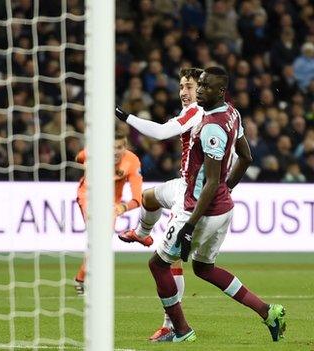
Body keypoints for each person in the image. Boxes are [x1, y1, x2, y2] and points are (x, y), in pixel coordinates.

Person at [147, 66, 285, 342]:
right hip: (223, 208)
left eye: (206, 86)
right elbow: (246, 157)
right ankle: (268, 311)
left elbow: (210, 182)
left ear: (220, 91)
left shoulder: (211, 127)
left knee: (158, 265)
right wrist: (227, 189)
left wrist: (190, 225)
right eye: (199, 85)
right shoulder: (232, 112)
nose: (199, 90)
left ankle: (182, 331)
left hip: (199, 210)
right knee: (204, 268)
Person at [114, 67, 204, 340]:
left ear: (201, 89)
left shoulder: (197, 111)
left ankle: (172, 324)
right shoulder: (211, 113)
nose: (183, 93)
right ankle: (142, 234)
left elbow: (162, 133)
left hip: (192, 195)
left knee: (168, 261)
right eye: (181, 87)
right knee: (149, 197)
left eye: (188, 87)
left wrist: (125, 116)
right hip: (182, 184)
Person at [74, 131, 142, 295]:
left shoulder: (132, 161)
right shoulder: (94, 152)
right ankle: (91, 280)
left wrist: (122, 208)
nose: (115, 151)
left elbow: (137, 198)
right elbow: (79, 158)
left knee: (101, 242)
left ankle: (81, 278)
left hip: (112, 204)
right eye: (111, 147)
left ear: (125, 147)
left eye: (119, 147)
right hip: (88, 195)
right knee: (98, 237)